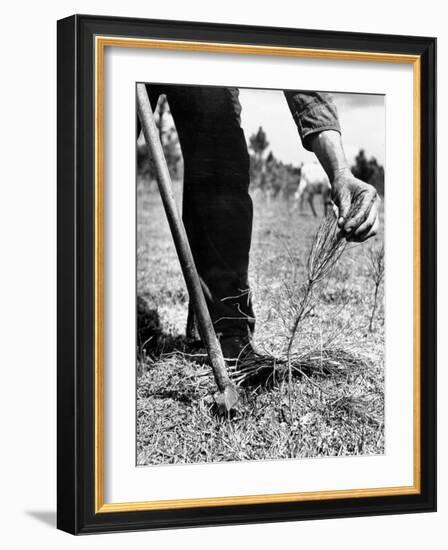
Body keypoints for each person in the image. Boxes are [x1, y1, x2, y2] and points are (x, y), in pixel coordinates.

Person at [138, 84, 380, 364]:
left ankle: (225, 330)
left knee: (221, 157)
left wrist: (339, 172)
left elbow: (300, 66)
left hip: (206, 49)